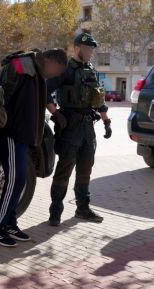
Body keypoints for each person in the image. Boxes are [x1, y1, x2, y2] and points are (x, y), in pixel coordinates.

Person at [0, 48, 68, 247]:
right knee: (15, 181)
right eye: (56, 71)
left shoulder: (38, 73)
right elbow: (0, 97)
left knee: (21, 181)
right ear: (50, 61)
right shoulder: (21, 66)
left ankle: (10, 223)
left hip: (24, 136)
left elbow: (41, 98)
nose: (54, 76)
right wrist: (6, 125)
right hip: (11, 134)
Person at [46, 32, 112, 226]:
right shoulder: (64, 69)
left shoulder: (90, 70)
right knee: (65, 168)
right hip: (70, 126)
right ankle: (55, 211)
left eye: (91, 49)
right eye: (86, 49)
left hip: (87, 127)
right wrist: (56, 113)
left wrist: (106, 121)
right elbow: (44, 91)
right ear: (76, 48)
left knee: (85, 169)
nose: (90, 52)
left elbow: (98, 98)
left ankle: (83, 209)